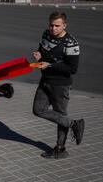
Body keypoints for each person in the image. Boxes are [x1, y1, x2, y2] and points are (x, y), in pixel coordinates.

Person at [32, 11, 85, 159]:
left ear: (64, 25)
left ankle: (60, 149)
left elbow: (72, 69)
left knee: (60, 115)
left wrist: (49, 65)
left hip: (61, 85)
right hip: (45, 81)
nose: (53, 29)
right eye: (51, 25)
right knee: (38, 109)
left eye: (57, 26)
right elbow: (42, 50)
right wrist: (38, 55)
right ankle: (74, 124)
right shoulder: (46, 34)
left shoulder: (71, 42)